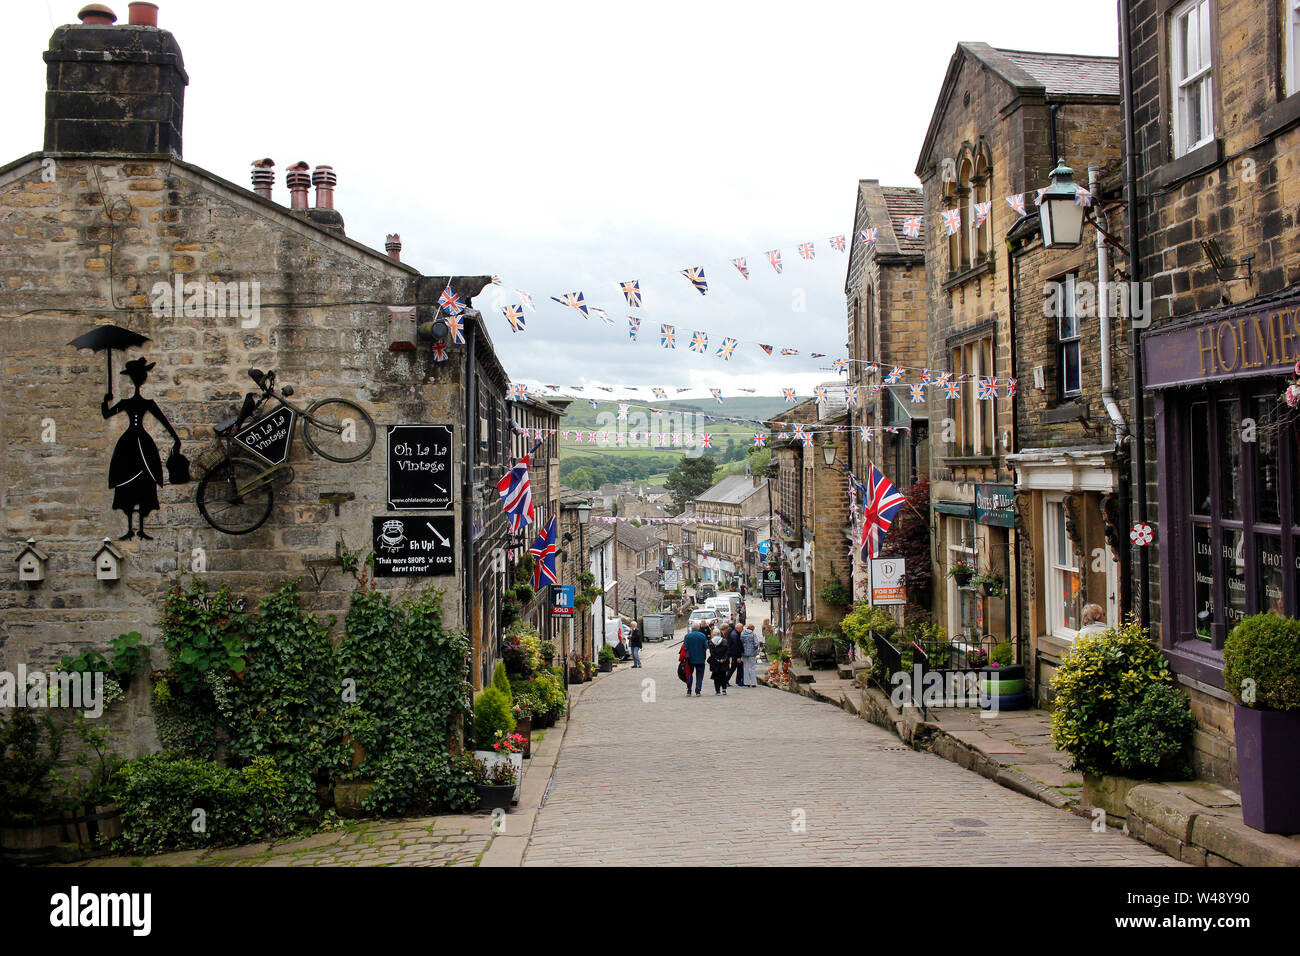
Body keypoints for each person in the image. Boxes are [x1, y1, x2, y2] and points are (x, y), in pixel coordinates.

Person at [103, 357, 181, 541]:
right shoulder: (131, 402)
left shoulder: (144, 403)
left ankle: (138, 528)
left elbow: (163, 420)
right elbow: (107, 414)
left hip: (134, 441)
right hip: (132, 442)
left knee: (144, 482)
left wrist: (176, 438)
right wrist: (106, 400)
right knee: (128, 482)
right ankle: (132, 528)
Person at [683, 623, 709, 696]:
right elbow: (706, 646)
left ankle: (689, 690)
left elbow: (685, 647)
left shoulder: (687, 636)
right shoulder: (702, 636)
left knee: (689, 674)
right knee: (700, 675)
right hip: (700, 658)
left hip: (689, 659)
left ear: (692, 628)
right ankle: (698, 691)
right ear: (699, 628)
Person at [726, 621, 745, 688]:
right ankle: (726, 681)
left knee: (738, 667)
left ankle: (739, 681)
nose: (742, 629)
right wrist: (738, 657)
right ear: (738, 628)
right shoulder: (735, 635)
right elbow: (736, 647)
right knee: (733, 668)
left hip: (734, 654)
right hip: (735, 655)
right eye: (742, 628)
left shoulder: (735, 633)